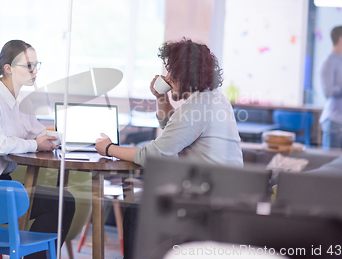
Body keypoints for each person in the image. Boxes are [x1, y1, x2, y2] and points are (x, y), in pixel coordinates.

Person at [95, 38, 243, 258]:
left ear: (184, 75)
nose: (168, 77)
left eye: (172, 72)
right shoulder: (215, 99)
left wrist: (109, 148)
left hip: (208, 201)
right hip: (225, 195)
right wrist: (162, 97)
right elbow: (174, 130)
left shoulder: (197, 106)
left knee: (136, 211)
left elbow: (154, 155)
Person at [0, 40, 75, 259]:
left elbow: (38, 133)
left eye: (36, 65)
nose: (34, 71)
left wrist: (66, 138)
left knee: (63, 200)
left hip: (3, 184)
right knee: (61, 202)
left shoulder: (22, 100)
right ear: (9, 69)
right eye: (28, 66)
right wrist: (35, 144)